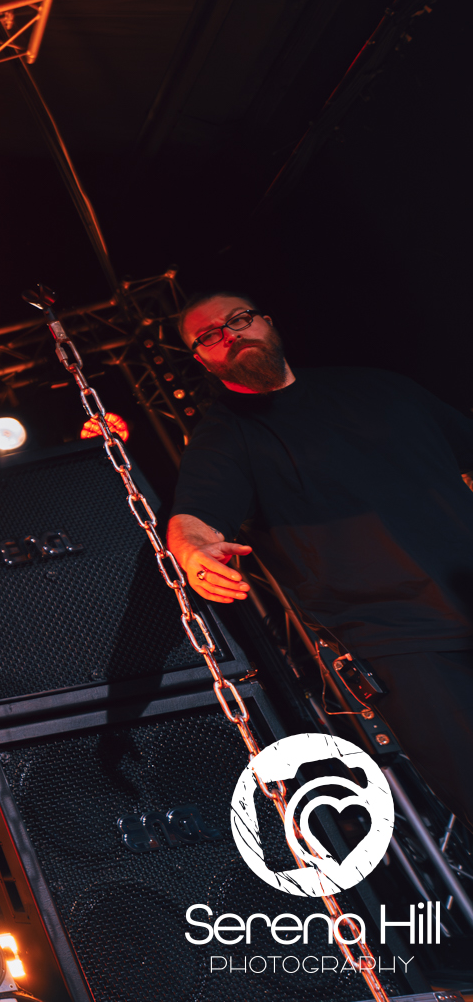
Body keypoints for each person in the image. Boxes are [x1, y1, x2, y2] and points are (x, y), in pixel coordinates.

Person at [165, 293, 473, 828]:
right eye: (210, 336)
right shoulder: (225, 436)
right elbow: (192, 518)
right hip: (404, 642)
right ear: (202, 360)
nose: (230, 335)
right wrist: (193, 551)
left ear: (267, 322)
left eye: (239, 320)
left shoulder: (379, 386)